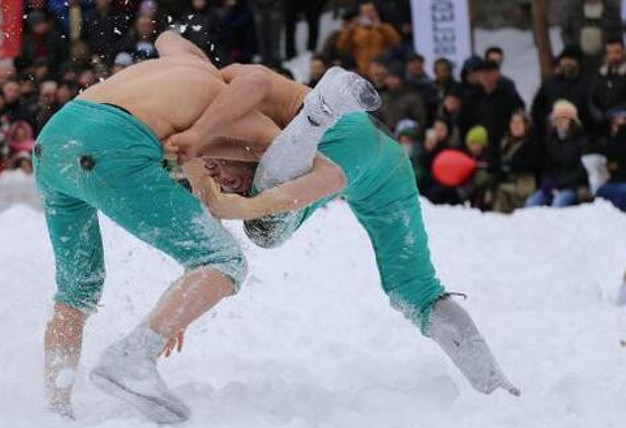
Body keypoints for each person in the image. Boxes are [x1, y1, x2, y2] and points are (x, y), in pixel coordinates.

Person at [169, 63, 519, 401]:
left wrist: (201, 149)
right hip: (384, 157)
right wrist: (187, 304)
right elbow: (212, 250)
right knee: (414, 291)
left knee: (265, 229)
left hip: (336, 132)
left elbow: (250, 79)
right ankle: (496, 386)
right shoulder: (218, 130)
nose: (224, 181)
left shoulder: (214, 98)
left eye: (215, 167)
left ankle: (316, 112)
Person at [34, 31, 283, 423]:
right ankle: (133, 354)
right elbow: (282, 145)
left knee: (77, 290)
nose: (221, 179)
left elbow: (166, 35)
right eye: (233, 176)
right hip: (108, 144)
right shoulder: (241, 114)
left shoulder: (188, 62)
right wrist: (169, 320)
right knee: (225, 258)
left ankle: (55, 408)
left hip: (53, 141)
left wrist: (181, 306)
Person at [526, 100, 587, 207]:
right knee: (532, 202)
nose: (559, 122)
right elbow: (546, 166)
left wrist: (560, 183)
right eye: (556, 118)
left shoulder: (582, 141)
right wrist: (546, 182)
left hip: (573, 187)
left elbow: (582, 172)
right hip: (552, 186)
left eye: (563, 118)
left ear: (572, 121)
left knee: (559, 203)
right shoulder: (551, 140)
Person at [493, 111, 542, 213]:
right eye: (513, 122)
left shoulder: (533, 143)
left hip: (524, 184)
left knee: (501, 190)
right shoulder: (505, 142)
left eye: (519, 123)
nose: (515, 126)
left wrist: (508, 167)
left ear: (527, 125)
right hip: (508, 180)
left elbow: (532, 165)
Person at [337, 1, 401, 78]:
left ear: (376, 13)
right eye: (365, 13)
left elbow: (397, 40)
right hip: (362, 70)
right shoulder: (355, 30)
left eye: (371, 11)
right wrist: (349, 30)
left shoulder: (383, 27)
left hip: (381, 69)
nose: (369, 15)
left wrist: (381, 27)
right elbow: (342, 47)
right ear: (360, 15)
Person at [595, 108, 626, 210]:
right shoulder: (610, 138)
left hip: (621, 183)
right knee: (600, 192)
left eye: (622, 117)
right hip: (613, 181)